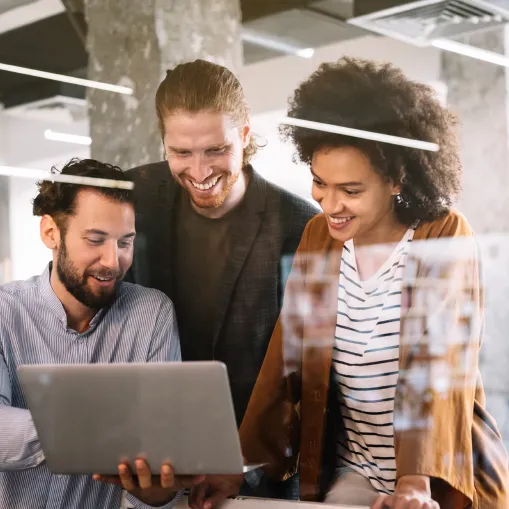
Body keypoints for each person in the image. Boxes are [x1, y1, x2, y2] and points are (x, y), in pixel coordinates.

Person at [189, 58, 509, 509]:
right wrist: (236, 467)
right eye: (320, 182)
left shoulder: (442, 232)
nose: (330, 203)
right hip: (353, 469)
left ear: (397, 179)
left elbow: (435, 363)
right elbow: (288, 356)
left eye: (351, 190)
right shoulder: (319, 237)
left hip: (436, 478)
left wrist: (414, 481)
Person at [127, 59, 317, 497]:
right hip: (156, 462)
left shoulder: (299, 227)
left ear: (245, 135)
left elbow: (308, 377)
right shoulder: (137, 199)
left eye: (216, 149)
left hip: (258, 477)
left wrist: (247, 467)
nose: (199, 171)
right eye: (181, 153)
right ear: (164, 144)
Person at [0, 159, 203, 509]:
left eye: (126, 242)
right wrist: (102, 428)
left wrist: (159, 491)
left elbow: (157, 465)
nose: (113, 261)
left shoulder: (152, 314)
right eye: (96, 240)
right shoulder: (5, 311)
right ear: (51, 233)